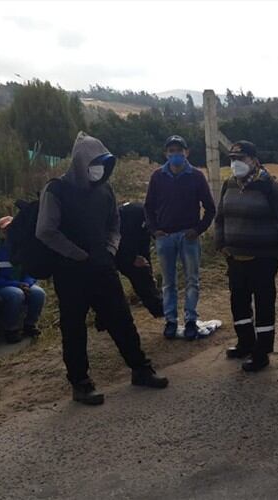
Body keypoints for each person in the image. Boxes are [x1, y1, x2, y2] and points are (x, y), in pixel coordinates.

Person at [36, 131, 167, 406]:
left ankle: (141, 369)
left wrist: (110, 249)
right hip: (70, 273)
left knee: (122, 319)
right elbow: (46, 231)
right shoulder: (56, 189)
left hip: (103, 267)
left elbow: (114, 224)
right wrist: (77, 254)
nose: (100, 169)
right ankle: (81, 384)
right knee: (73, 328)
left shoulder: (105, 189)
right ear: (80, 163)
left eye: (104, 163)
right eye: (95, 163)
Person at [214, 140, 278, 372]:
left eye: (241, 158)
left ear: (254, 160)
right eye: (232, 159)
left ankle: (262, 352)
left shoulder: (272, 186)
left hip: (264, 259)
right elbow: (220, 217)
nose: (236, 163)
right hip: (235, 258)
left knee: (264, 304)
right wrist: (221, 244)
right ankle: (245, 342)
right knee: (238, 302)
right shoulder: (228, 184)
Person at [144, 135, 216, 340]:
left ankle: (191, 320)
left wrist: (198, 230)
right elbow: (148, 207)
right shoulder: (158, 176)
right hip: (164, 237)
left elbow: (210, 208)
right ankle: (171, 321)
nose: (175, 154)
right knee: (168, 282)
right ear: (165, 154)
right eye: (171, 151)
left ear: (187, 152)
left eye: (179, 150)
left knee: (192, 280)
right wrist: (154, 230)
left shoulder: (196, 176)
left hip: (188, 236)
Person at [0, 216, 45, 344]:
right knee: (16, 294)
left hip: (21, 283)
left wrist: (27, 283)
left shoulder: (24, 246)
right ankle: (11, 329)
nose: (9, 232)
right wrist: (16, 284)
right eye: (6, 229)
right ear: (0, 231)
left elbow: (31, 270)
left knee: (38, 293)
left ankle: (29, 325)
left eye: (12, 228)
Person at [117, 201, 164, 318]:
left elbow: (144, 249)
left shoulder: (147, 220)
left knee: (144, 273)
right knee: (140, 276)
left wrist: (149, 271)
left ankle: (160, 310)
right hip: (109, 249)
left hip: (125, 246)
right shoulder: (133, 216)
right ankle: (160, 310)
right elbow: (118, 238)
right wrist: (131, 258)